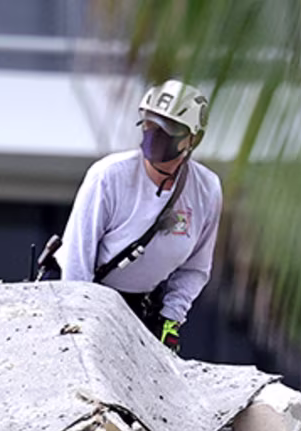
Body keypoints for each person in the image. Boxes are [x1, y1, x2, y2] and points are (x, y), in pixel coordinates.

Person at [58, 78, 222, 354]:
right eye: (149, 124)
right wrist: (79, 321)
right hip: (81, 296)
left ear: (192, 139)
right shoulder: (108, 176)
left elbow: (196, 268)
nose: (155, 134)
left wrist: (171, 319)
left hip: (139, 308)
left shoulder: (206, 189)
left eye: (168, 129)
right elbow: (77, 260)